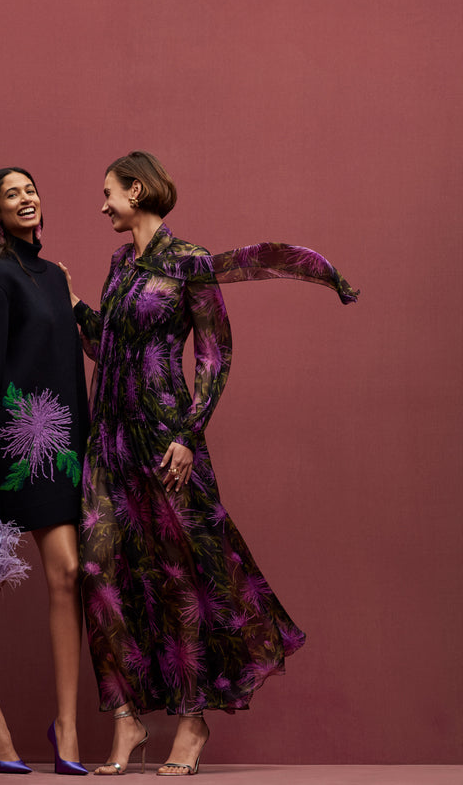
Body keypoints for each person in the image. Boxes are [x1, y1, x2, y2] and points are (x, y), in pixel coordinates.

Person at [60, 151, 358, 776]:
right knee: (100, 572)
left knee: (179, 578)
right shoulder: (121, 264)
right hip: (109, 442)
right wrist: (75, 303)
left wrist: (190, 435)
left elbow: (215, 356)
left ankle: (192, 722)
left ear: (135, 190)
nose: (102, 204)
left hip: (166, 440)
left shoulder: (189, 262)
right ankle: (126, 720)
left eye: (107, 192)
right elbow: (102, 345)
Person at [0, 167, 89, 775]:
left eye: (32, 188)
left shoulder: (55, 277)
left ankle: (66, 728)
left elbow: (75, 360)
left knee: (66, 574)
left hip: (59, 448)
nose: (28, 197)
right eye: (13, 193)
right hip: (7, 455)